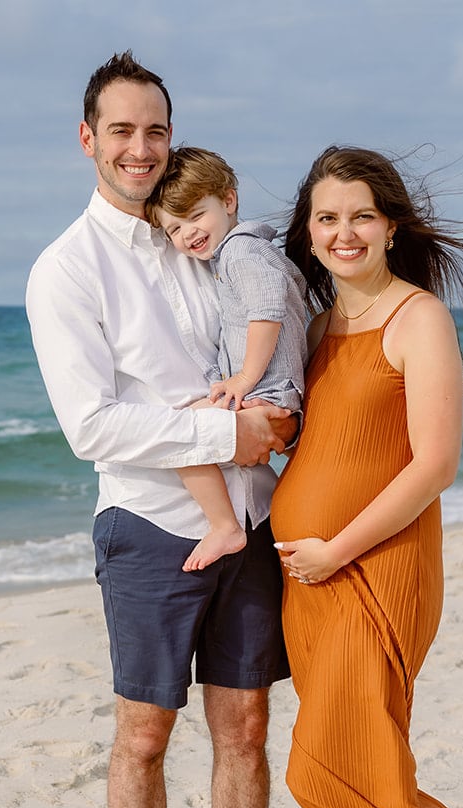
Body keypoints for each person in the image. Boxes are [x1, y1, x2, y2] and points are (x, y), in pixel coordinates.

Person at [24, 51, 303, 808]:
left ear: (171, 138)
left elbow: (271, 336)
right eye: (121, 131)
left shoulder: (210, 237)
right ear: (88, 139)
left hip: (253, 518)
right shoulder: (67, 268)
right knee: (144, 737)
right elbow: (90, 424)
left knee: (248, 727)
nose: (139, 148)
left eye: (155, 130)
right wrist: (233, 428)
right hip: (148, 524)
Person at [271, 145, 463, 808]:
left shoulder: (418, 319)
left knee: (325, 763)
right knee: (354, 755)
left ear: (391, 224)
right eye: (327, 218)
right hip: (310, 583)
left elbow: (433, 465)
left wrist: (336, 549)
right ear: (311, 233)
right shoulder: (322, 326)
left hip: (375, 571)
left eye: (360, 214)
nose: (343, 231)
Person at [145, 146, 310, 571]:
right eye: (174, 229)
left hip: (266, 387)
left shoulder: (240, 253)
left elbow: (267, 311)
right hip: (275, 388)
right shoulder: (241, 253)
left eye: (196, 216)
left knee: (181, 432)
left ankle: (224, 527)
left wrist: (243, 378)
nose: (188, 233)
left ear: (229, 200)